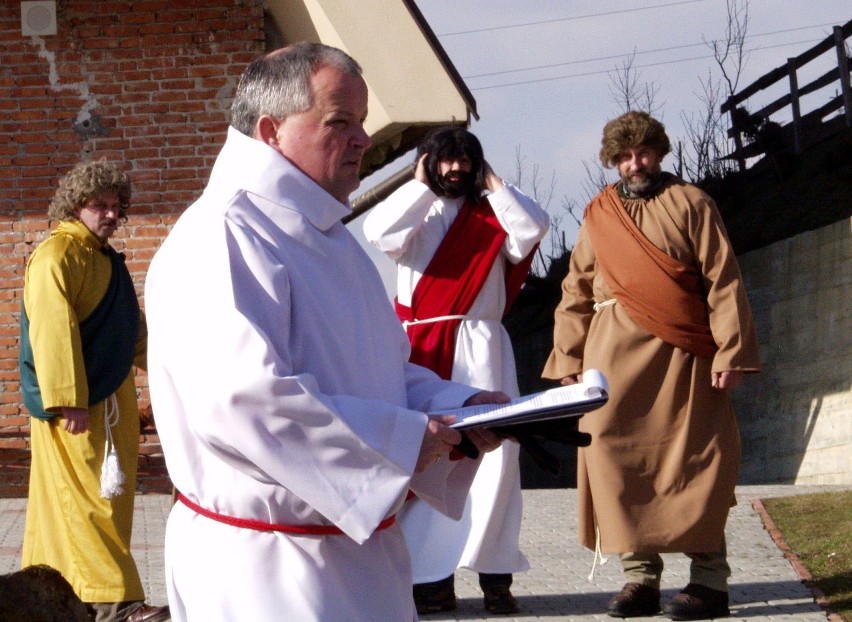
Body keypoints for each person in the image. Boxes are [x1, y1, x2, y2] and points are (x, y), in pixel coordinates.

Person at [144, 42, 507, 622]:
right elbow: (246, 404)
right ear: (271, 129)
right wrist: (408, 437)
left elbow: (374, 373)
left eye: (362, 120)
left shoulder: (326, 235)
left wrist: (460, 407)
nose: (363, 139)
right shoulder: (223, 233)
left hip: (360, 555)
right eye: (340, 122)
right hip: (269, 567)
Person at [542, 111, 760, 621]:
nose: (634, 164)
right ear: (612, 161)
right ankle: (640, 579)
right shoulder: (598, 212)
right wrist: (569, 357)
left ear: (659, 153)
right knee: (615, 462)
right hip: (609, 359)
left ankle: (709, 584)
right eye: (623, 157)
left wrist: (731, 351)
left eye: (642, 153)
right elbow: (575, 287)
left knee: (697, 464)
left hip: (684, 355)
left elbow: (723, 280)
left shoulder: (691, 203)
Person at [363, 126, 549, 615]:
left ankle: (495, 576)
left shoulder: (493, 217)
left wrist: (494, 184)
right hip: (423, 348)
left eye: (465, 160)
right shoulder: (416, 214)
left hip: (483, 347)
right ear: (428, 164)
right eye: (444, 160)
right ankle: (432, 579)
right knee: (429, 457)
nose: (455, 169)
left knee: (497, 463)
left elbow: (531, 229)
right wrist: (420, 185)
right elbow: (379, 233)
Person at [18, 160, 170, 622]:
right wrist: (69, 400)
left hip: (111, 402)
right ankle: (117, 605)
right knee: (87, 502)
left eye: (114, 206)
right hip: (77, 408)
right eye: (97, 205)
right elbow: (51, 331)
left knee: (106, 501)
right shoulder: (55, 256)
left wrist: (174, 367)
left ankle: (63, 597)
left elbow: (131, 333)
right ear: (75, 206)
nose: (109, 214)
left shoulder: (106, 260)